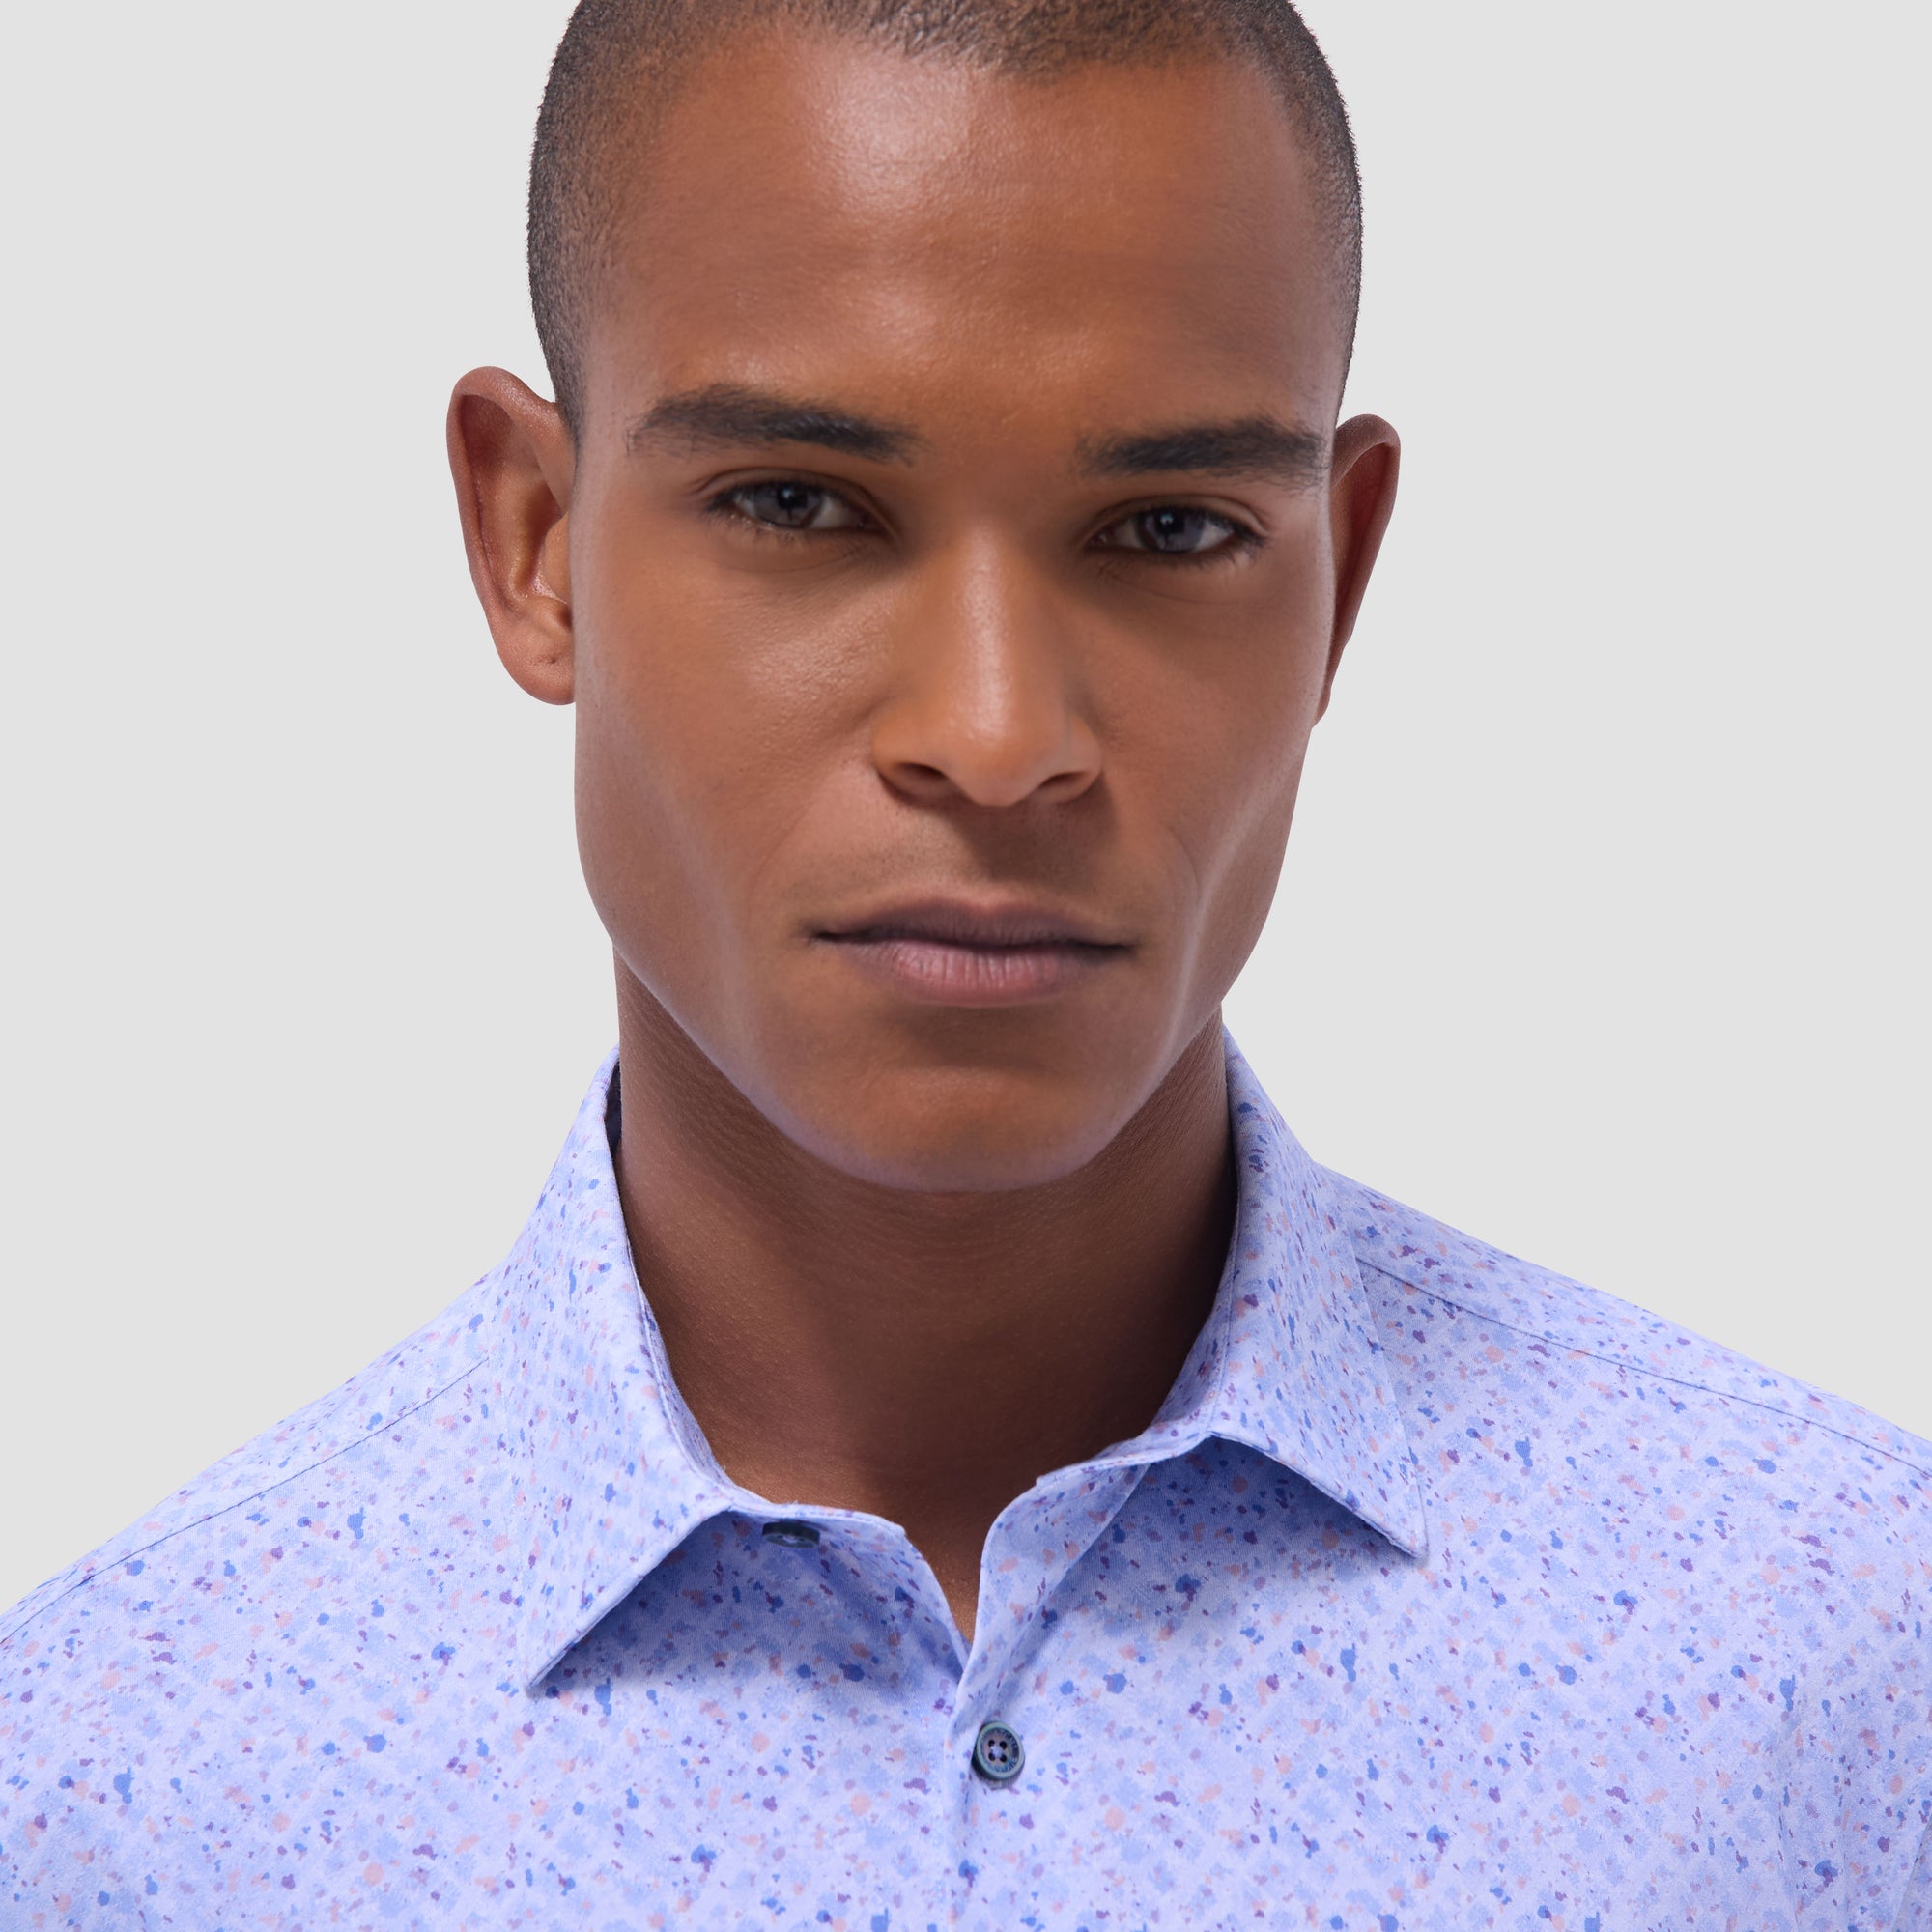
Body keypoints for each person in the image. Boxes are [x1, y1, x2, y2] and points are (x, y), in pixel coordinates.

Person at [4, 0, 1927, 1923]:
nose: (997, 738)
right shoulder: (107, 1795)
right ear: (535, 542)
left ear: (1338, 580)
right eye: (799, 505)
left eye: (1168, 528)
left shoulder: (1840, 1656)